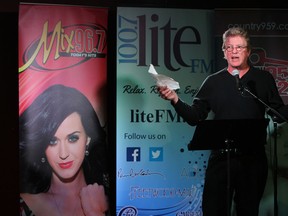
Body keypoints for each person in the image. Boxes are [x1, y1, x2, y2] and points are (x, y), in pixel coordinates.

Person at [158, 27, 288, 216]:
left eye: (239, 47)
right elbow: (195, 117)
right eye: (229, 47)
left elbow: (278, 113)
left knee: (248, 210)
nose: (234, 51)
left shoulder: (263, 79)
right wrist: (175, 99)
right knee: (214, 211)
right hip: (221, 159)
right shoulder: (213, 81)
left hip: (252, 159)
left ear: (248, 51)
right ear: (224, 52)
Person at [19, 84, 110, 216]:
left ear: (88, 139)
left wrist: (95, 212)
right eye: (52, 141)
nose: (63, 154)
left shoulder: (118, 201)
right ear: (43, 147)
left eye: (73, 138)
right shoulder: (23, 205)